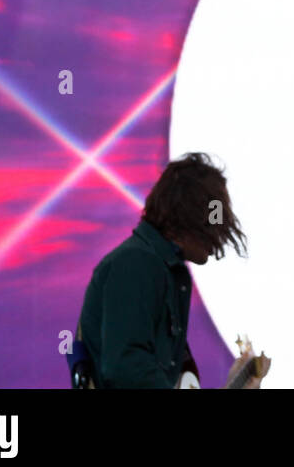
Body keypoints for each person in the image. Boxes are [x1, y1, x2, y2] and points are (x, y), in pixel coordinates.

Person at [74, 151, 261, 388]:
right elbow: (126, 367)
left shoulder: (164, 271)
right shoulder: (136, 264)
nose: (219, 238)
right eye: (214, 223)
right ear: (189, 217)